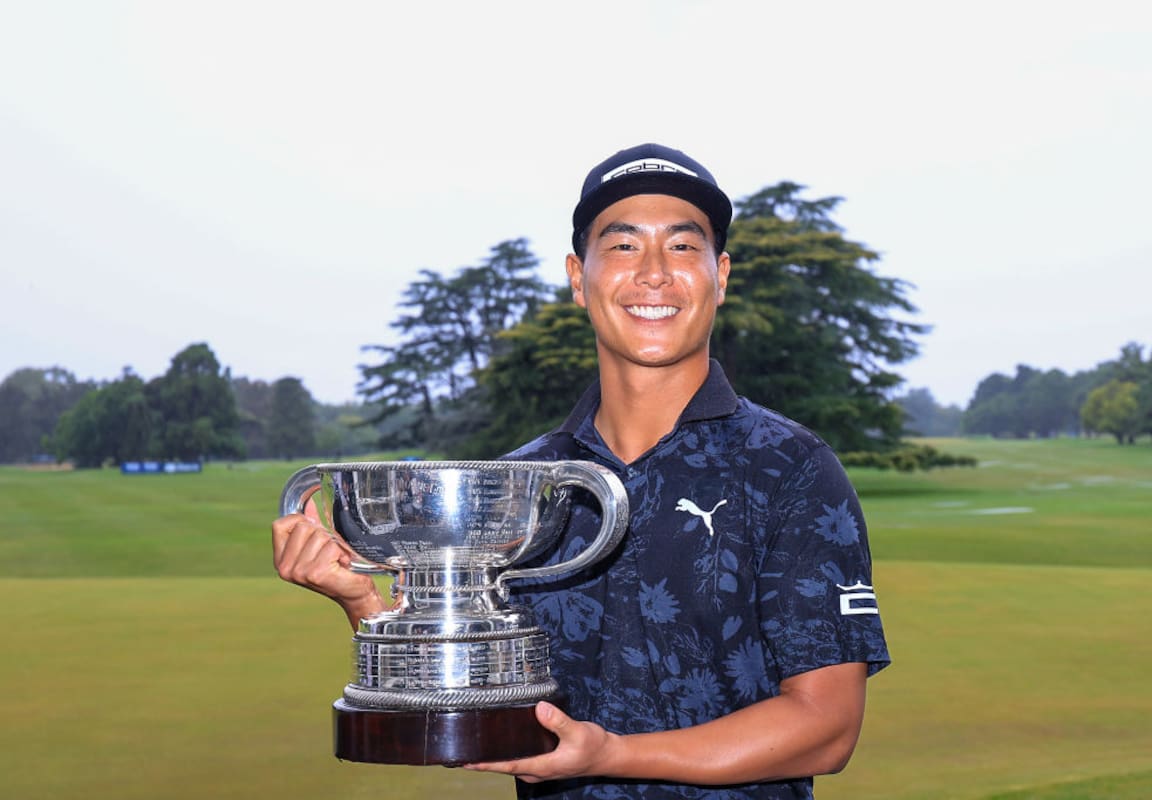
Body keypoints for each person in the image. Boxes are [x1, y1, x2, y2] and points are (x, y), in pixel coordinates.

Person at [272, 143, 890, 799]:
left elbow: (826, 727)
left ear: (722, 274)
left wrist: (610, 754)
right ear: (577, 276)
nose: (654, 273)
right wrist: (363, 601)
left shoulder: (789, 467)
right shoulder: (519, 488)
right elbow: (472, 713)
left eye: (683, 247)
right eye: (623, 247)